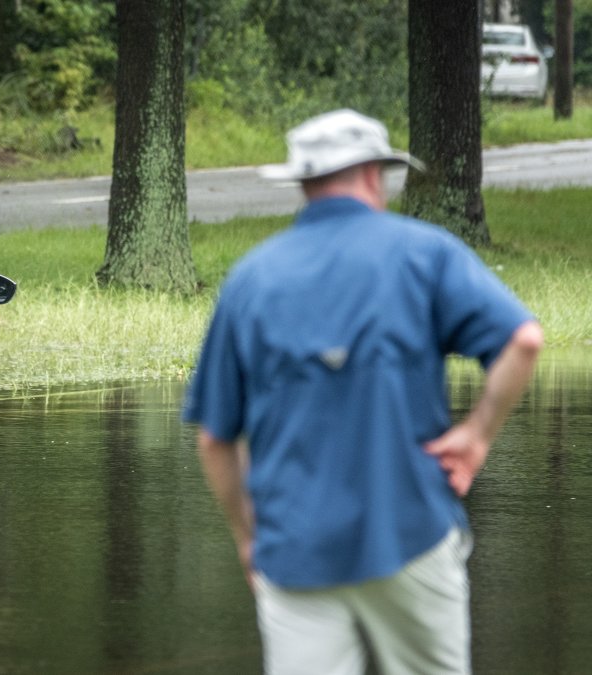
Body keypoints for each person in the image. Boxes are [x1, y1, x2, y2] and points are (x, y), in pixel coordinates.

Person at [184, 108, 543, 675]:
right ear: (376, 174)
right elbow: (523, 340)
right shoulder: (426, 253)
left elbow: (214, 440)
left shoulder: (250, 279)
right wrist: (476, 436)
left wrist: (249, 538)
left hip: (295, 548)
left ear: (303, 184)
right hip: (412, 532)